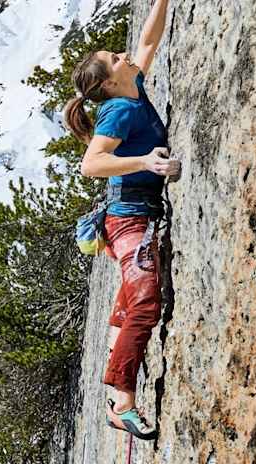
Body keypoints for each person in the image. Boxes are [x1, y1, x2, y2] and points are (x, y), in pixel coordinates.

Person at [63, 0, 180, 441]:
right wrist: (146, 160)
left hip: (128, 218)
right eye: (115, 59)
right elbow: (91, 165)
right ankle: (122, 401)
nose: (123, 54)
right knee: (147, 300)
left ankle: (118, 344)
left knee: (137, 294)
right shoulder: (121, 110)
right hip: (129, 221)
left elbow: (148, 40)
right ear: (110, 81)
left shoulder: (130, 88)